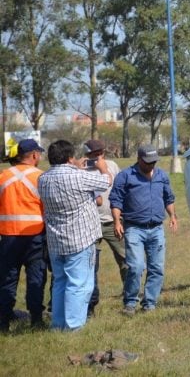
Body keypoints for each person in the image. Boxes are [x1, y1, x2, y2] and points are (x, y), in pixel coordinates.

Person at [38, 140, 112, 331]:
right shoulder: (78, 177)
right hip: (80, 239)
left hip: (56, 240)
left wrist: (75, 166)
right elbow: (106, 182)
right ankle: (74, 327)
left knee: (60, 283)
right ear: (71, 157)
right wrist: (102, 167)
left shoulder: (43, 178)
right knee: (79, 285)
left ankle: (58, 324)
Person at [109, 144, 177, 315]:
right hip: (134, 228)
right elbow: (116, 200)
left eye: (154, 162)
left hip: (156, 229)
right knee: (136, 266)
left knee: (157, 268)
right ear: (139, 159)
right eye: (147, 162)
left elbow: (168, 198)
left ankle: (150, 304)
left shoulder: (162, 175)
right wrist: (117, 221)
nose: (151, 165)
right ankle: (130, 302)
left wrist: (173, 216)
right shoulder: (125, 176)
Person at [0, 139, 47, 332]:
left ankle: (3, 321)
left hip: (8, 236)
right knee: (36, 278)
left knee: (7, 279)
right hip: (34, 235)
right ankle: (36, 320)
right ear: (34, 155)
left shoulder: (3, 176)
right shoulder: (40, 177)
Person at [82, 139, 124, 317]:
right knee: (90, 264)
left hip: (112, 220)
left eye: (99, 153)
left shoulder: (112, 166)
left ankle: (130, 294)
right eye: (93, 154)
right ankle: (89, 302)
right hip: (90, 223)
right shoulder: (81, 170)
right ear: (86, 154)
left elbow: (119, 187)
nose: (97, 157)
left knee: (126, 259)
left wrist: (119, 219)